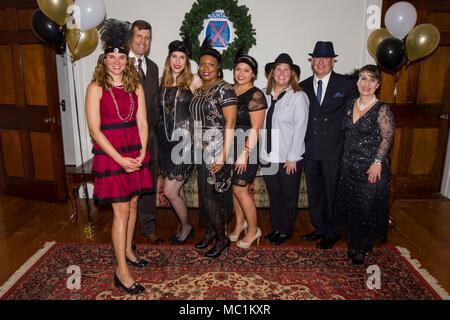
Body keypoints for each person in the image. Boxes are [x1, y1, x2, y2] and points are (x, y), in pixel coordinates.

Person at [86, 19, 152, 295]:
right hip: (111, 154)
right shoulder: (95, 88)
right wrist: (120, 159)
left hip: (134, 151)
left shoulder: (135, 85)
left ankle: (128, 251)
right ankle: (121, 271)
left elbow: (143, 123)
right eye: (111, 56)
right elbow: (94, 130)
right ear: (104, 60)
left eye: (121, 57)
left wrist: (141, 152)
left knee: (134, 204)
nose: (116, 61)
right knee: (121, 212)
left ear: (127, 60)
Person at [300, 41, 358, 249]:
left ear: (333, 61)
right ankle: (320, 228)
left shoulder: (346, 84)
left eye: (326, 58)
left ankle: (333, 232)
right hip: (310, 149)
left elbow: (354, 116)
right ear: (311, 61)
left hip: (334, 149)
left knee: (332, 193)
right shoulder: (303, 85)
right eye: (317, 58)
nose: (321, 62)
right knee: (315, 193)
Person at [337, 64, 395, 265]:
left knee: (366, 209)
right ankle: (353, 244)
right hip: (348, 166)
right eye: (363, 78)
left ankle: (362, 248)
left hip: (371, 168)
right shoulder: (351, 103)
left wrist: (378, 162)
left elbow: (387, 138)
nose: (367, 84)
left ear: (378, 84)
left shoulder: (382, 109)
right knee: (351, 208)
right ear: (357, 81)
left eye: (372, 79)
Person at [190, 42, 237, 258]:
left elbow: (230, 123)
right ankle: (210, 232)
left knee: (211, 197)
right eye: (202, 64)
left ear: (218, 69)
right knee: (205, 195)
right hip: (201, 150)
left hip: (218, 149)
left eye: (211, 64)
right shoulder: (200, 90)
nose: (206, 67)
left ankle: (222, 238)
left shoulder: (225, 89)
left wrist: (223, 155)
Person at [261, 53, 309, 245]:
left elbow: (301, 128)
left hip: (288, 157)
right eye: (278, 69)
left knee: (288, 197)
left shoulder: (298, 97)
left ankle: (286, 230)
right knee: (274, 196)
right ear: (272, 74)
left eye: (285, 70)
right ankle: (277, 228)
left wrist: (293, 157)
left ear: (292, 74)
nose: (281, 73)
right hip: (267, 156)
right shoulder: (265, 96)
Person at [159, 40, 202, 244]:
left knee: (169, 191)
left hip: (185, 144)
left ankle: (185, 226)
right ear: (169, 59)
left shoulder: (194, 81)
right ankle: (185, 224)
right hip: (166, 143)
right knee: (179, 189)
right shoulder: (162, 81)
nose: (177, 61)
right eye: (174, 56)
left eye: (182, 57)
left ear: (187, 61)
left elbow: (206, 110)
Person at [129, 20, 163, 244]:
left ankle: (148, 225)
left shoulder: (152, 67)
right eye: (139, 36)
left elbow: (154, 102)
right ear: (130, 38)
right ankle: (125, 229)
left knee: (148, 181)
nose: (143, 41)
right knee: (128, 184)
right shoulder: (118, 63)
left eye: (147, 37)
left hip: (150, 134)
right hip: (127, 135)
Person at [228, 54, 267, 248]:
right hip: (230, 145)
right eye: (238, 69)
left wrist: (244, 153)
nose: (241, 73)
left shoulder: (256, 94)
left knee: (240, 188)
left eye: (246, 70)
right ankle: (239, 224)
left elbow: (256, 128)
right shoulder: (230, 90)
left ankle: (253, 230)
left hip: (247, 147)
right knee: (234, 189)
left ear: (253, 73)